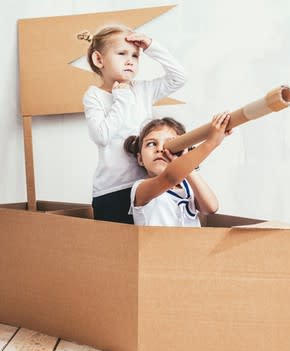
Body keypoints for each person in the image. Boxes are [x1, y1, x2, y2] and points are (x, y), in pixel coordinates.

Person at [79, 25, 186, 224]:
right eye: (122, 53)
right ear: (98, 59)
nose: (130, 60)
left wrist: (152, 47)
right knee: (116, 248)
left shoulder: (144, 90)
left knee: (144, 245)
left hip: (146, 185)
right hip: (112, 190)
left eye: (135, 56)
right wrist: (122, 98)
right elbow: (101, 136)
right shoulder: (94, 96)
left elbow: (179, 77)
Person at [123, 114, 231, 227]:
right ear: (140, 159)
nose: (160, 149)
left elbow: (211, 208)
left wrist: (185, 163)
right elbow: (170, 178)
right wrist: (212, 143)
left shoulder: (188, 186)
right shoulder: (140, 189)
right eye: (151, 144)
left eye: (169, 144)